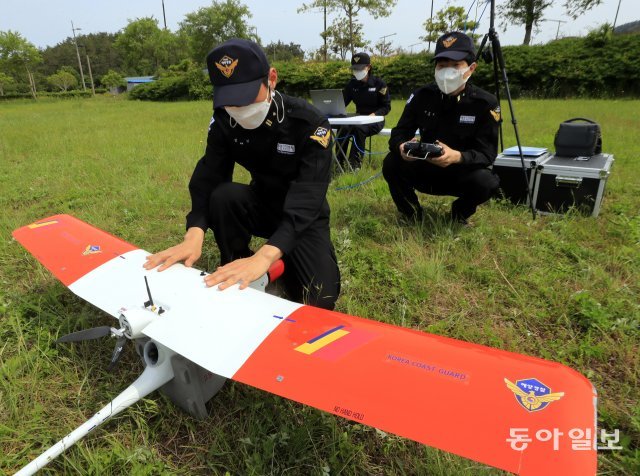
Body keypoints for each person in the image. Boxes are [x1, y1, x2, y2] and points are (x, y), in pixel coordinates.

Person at [144, 38, 340, 310]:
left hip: (302, 217)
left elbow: (309, 197)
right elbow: (209, 176)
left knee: (318, 299)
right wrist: (194, 233)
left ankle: (270, 264)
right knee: (224, 195)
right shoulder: (225, 120)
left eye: (246, 97)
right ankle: (235, 261)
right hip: (262, 204)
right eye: (230, 101)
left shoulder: (309, 123)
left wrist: (266, 256)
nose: (239, 109)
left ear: (271, 78)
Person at [382, 31, 500, 225]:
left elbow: (487, 154)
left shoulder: (485, 103)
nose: (447, 71)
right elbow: (399, 133)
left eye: (455, 65)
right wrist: (402, 147)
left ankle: (459, 214)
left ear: (471, 68)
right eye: (442, 65)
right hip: (425, 168)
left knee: (488, 182)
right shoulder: (422, 96)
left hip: (460, 173)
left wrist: (458, 157)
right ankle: (411, 215)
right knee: (391, 162)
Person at [336, 52, 390, 170]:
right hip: (358, 118)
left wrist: (374, 114)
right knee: (343, 128)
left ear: (368, 67)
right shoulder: (352, 84)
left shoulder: (379, 84)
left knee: (358, 129)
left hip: (375, 120)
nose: (357, 71)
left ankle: (355, 165)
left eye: (360, 68)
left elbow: (386, 107)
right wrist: (334, 108)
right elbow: (343, 102)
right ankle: (339, 162)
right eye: (354, 68)